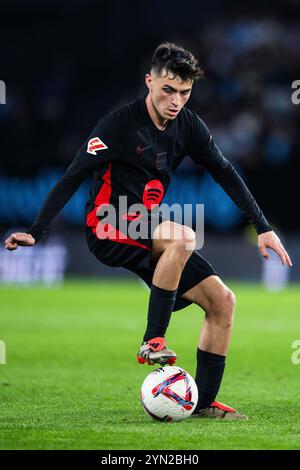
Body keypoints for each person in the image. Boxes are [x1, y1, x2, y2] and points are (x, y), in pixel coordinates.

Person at [5, 43, 292, 420]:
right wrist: (36, 232)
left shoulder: (188, 125)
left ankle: (202, 404)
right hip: (107, 224)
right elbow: (74, 174)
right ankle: (151, 340)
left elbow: (224, 171)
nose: (176, 101)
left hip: (144, 231)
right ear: (149, 82)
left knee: (223, 302)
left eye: (185, 93)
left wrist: (264, 228)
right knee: (183, 236)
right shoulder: (118, 124)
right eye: (168, 90)